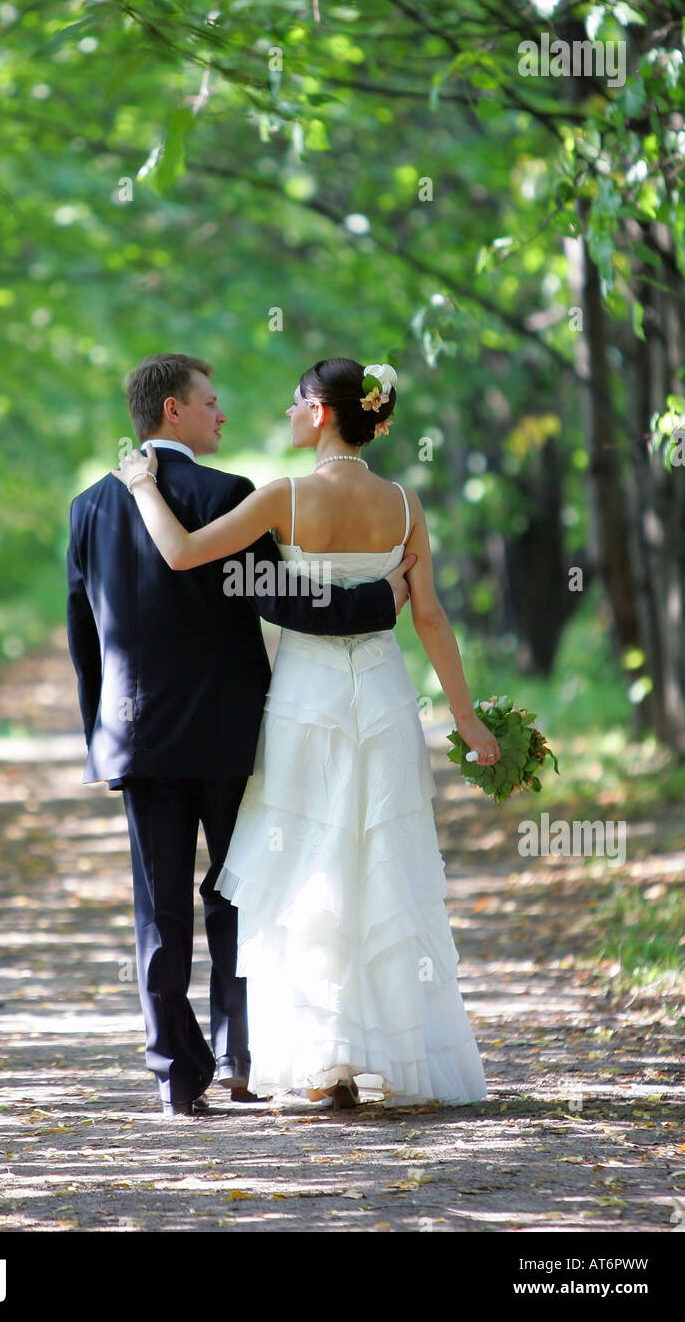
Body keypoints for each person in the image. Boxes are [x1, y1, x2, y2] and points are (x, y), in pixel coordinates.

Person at [116, 357, 500, 1110]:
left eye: (295, 404)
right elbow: (427, 617)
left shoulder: (281, 499)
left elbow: (182, 553)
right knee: (382, 862)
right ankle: (396, 1053)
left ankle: (326, 1059)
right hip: (386, 697)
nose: (285, 415)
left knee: (309, 867)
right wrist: (465, 715)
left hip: (305, 698)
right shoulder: (401, 501)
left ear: (322, 413)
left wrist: (139, 485)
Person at [66, 353, 416, 1117]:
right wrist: (372, 606)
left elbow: (84, 637)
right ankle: (241, 1062)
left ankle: (173, 1076)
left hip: (140, 741)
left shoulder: (88, 507)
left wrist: (101, 734)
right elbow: (279, 600)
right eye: (211, 403)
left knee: (158, 913)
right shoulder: (225, 493)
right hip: (229, 735)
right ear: (172, 414)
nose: (222, 415)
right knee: (238, 897)